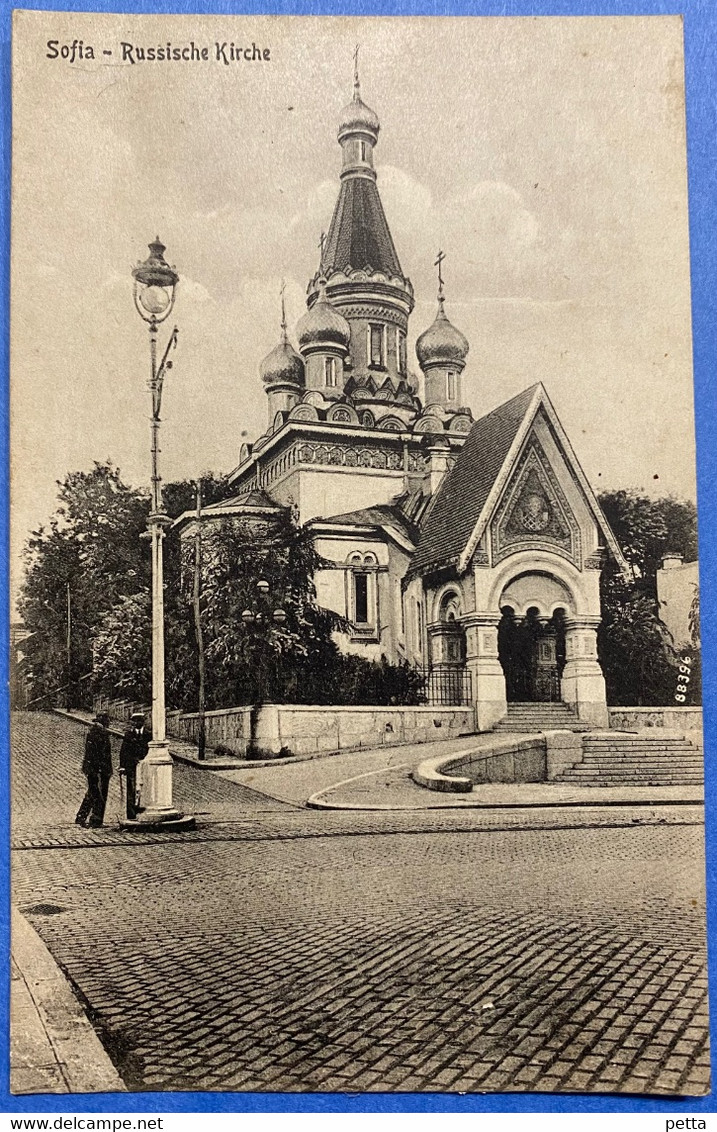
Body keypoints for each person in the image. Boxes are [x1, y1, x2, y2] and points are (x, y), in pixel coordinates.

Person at [75, 713, 113, 828]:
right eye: (107, 720)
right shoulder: (99, 733)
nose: (109, 722)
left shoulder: (94, 731)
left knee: (93, 793)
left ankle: (81, 816)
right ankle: (95, 820)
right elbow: (98, 755)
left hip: (95, 769)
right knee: (98, 795)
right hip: (98, 770)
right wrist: (101, 770)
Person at [119, 711, 150, 820]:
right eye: (135, 721)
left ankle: (143, 810)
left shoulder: (148, 735)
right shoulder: (129, 735)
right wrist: (122, 765)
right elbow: (124, 751)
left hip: (145, 766)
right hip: (132, 765)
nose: (137, 723)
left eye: (140, 721)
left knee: (144, 788)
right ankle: (131, 814)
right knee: (131, 789)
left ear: (143, 722)